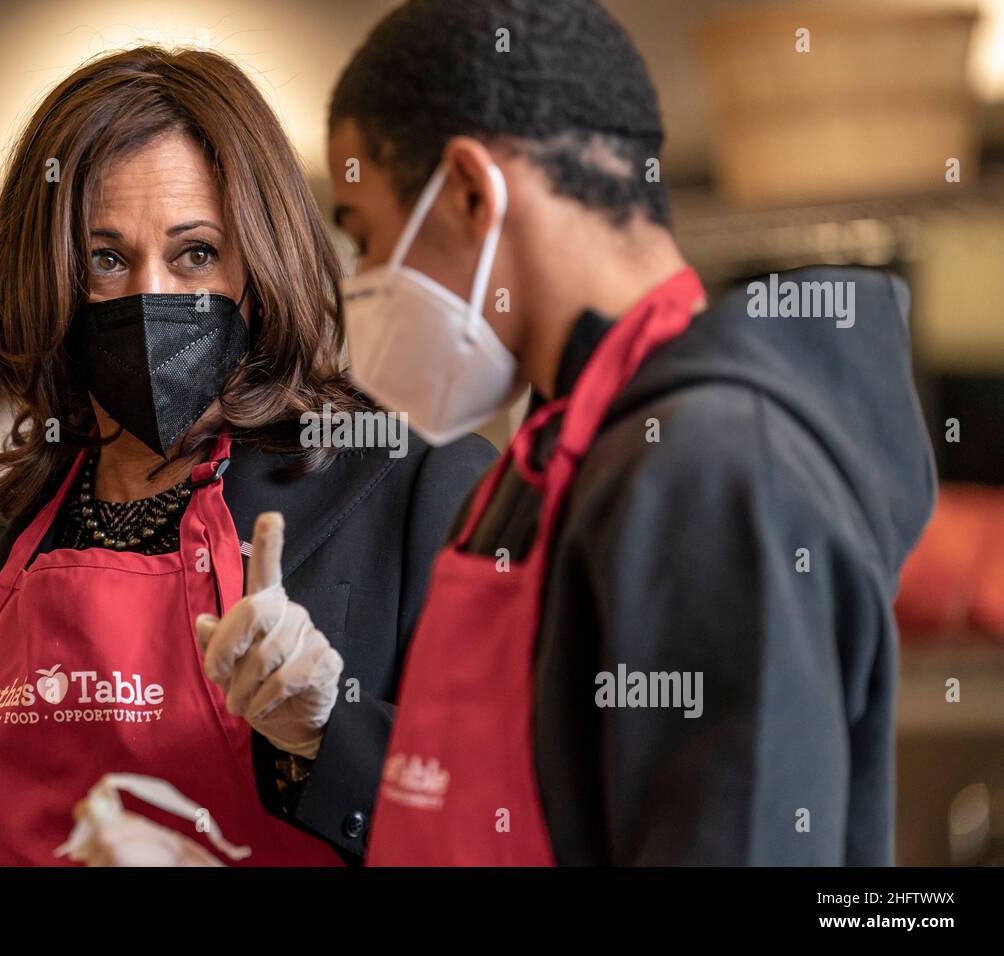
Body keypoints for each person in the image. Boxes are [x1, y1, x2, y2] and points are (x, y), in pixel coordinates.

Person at [327, 0, 935, 864]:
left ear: (469, 190)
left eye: (366, 238)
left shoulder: (714, 466)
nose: (369, 283)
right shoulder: (548, 457)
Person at [0, 45, 493, 866]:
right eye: (106, 260)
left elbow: (499, 825)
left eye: (196, 254)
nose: (154, 297)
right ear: (49, 281)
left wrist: (326, 736)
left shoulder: (418, 497)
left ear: (264, 261)